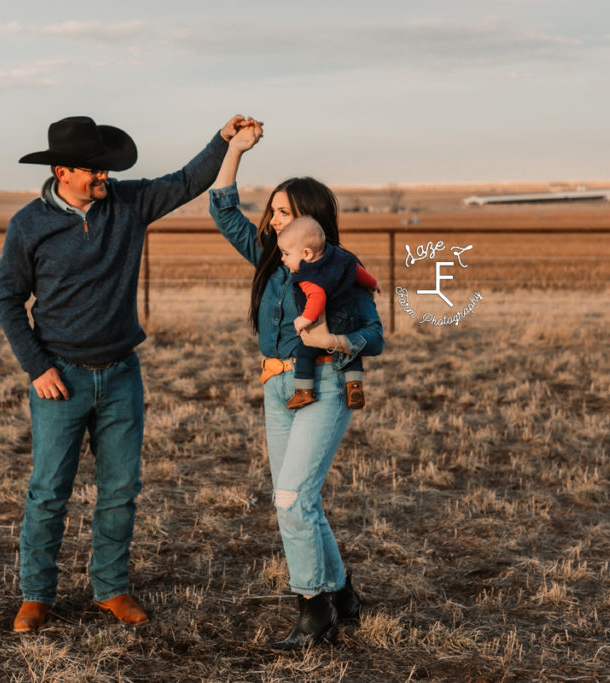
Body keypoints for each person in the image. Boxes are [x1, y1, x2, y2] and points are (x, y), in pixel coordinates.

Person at [0, 114, 250, 633]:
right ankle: (36, 594)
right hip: (58, 379)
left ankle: (110, 588)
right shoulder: (28, 224)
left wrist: (222, 141)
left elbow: (185, 181)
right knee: (48, 491)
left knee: (120, 489)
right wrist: (38, 367)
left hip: (120, 375)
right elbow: (7, 299)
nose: (104, 178)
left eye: (107, 170)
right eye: (94, 170)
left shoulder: (128, 204)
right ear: (62, 170)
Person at [209, 120, 385, 650]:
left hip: (325, 387)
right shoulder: (269, 258)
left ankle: (313, 610)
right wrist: (233, 150)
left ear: (313, 221)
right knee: (300, 499)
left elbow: (373, 336)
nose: (273, 219)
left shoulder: (340, 272)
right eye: (273, 211)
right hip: (276, 388)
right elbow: (221, 207)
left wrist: (333, 339)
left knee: (291, 499)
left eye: (285, 213)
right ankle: (344, 595)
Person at [276, 215, 380, 410]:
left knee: (305, 351)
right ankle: (354, 385)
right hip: (350, 317)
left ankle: (303, 391)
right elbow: (357, 271)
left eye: (286, 253)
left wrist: (304, 319)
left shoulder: (307, 275)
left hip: (329, 320)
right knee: (351, 354)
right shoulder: (339, 257)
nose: (283, 258)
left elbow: (317, 297)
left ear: (307, 254)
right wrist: (373, 283)